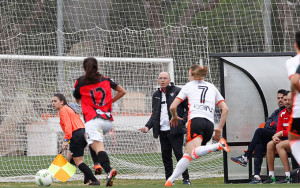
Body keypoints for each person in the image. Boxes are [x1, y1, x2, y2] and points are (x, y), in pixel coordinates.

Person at [164, 64, 230, 187]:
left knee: (193, 153)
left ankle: (218, 146)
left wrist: (174, 116)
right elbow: (225, 109)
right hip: (209, 124)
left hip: (196, 121)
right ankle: (170, 181)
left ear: (191, 72)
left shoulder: (188, 86)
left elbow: (173, 106)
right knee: (188, 154)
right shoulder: (212, 87)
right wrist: (219, 129)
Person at [73, 57, 126, 187]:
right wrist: (110, 102)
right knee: (89, 139)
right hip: (107, 120)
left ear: (84, 68)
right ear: (97, 66)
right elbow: (122, 91)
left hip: (93, 119)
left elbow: (77, 99)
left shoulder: (80, 82)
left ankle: (109, 170)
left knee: (98, 146)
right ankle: (97, 164)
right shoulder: (107, 80)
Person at [138, 72, 191, 185]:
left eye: (165, 78)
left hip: (175, 129)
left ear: (169, 79)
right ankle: (169, 179)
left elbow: (188, 108)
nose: (162, 80)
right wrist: (147, 127)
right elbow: (155, 114)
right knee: (166, 157)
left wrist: (182, 121)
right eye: (160, 78)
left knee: (179, 155)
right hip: (162, 131)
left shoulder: (178, 91)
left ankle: (186, 178)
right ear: (158, 80)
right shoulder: (156, 94)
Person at [231, 89, 286, 184]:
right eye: (278, 98)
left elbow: (277, 127)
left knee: (259, 131)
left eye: (282, 98)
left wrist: (271, 125)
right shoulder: (276, 112)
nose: (280, 100)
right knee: (259, 145)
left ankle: (245, 157)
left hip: (281, 137)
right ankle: (257, 176)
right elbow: (267, 123)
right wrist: (271, 125)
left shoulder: (287, 112)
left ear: (287, 99)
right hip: (271, 135)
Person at [52, 93, 100, 185]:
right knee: (69, 158)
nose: (53, 103)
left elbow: (69, 127)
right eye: (52, 101)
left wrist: (66, 140)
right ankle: (87, 176)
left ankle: (94, 180)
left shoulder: (63, 110)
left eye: (55, 101)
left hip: (76, 135)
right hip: (82, 133)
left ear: (62, 102)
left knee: (78, 162)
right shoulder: (69, 108)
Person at [264, 91, 292, 184]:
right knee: (270, 144)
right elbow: (278, 131)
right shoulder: (282, 113)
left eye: (289, 100)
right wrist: (275, 137)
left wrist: (281, 133)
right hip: (287, 140)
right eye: (285, 100)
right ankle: (272, 177)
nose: (287, 102)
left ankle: (288, 177)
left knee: (280, 146)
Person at [287, 31, 300, 169]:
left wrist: (292, 92)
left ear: (295, 45)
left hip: (298, 111)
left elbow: (295, 81)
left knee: (293, 139)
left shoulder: (292, 62)